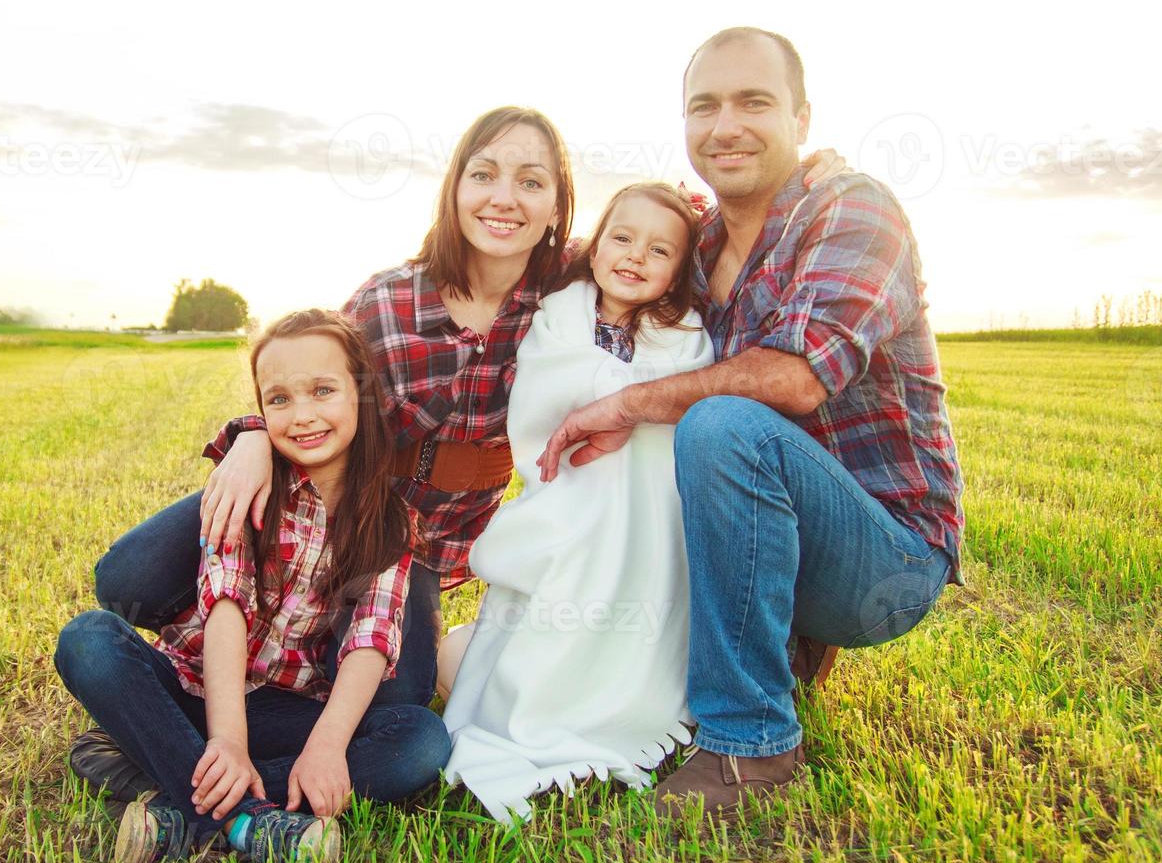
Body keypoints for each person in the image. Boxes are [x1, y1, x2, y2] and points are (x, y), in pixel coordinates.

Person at [75, 105, 842, 803]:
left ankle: (167, 758)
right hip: (312, 508)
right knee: (129, 579)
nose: (503, 197)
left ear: (557, 209)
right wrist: (247, 435)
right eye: (484, 174)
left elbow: (671, 239)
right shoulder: (388, 300)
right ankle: (203, 735)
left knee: (403, 704)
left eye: (530, 181)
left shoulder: (567, 286)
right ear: (454, 190)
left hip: (410, 553)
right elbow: (309, 380)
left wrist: (801, 185)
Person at [537, 27, 964, 820]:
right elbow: (561, 269)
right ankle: (749, 658)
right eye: (705, 106)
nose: (724, 125)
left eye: (753, 102)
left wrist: (624, 405)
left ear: (802, 117)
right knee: (690, 436)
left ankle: (752, 745)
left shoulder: (855, 208)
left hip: (889, 557)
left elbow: (797, 378)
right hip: (783, 535)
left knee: (721, 422)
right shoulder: (693, 245)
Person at [55, 309, 451, 863]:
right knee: (88, 638)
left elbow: (372, 636)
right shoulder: (252, 486)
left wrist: (327, 746)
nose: (303, 415)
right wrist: (229, 742)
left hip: (282, 706)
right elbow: (225, 604)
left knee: (419, 740)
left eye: (322, 391)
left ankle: (163, 782)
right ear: (262, 412)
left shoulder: (389, 519)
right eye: (280, 400)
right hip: (194, 685)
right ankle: (248, 820)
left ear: (361, 396)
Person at [440, 182, 714, 822]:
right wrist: (609, 388)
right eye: (622, 238)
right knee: (557, 578)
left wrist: (632, 400)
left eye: (659, 250)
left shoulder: (687, 332)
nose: (635, 256)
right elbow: (541, 388)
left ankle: (614, 701)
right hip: (576, 489)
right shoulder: (563, 313)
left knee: (632, 594)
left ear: (678, 271)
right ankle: (533, 704)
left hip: (645, 506)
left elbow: (686, 396)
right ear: (595, 247)